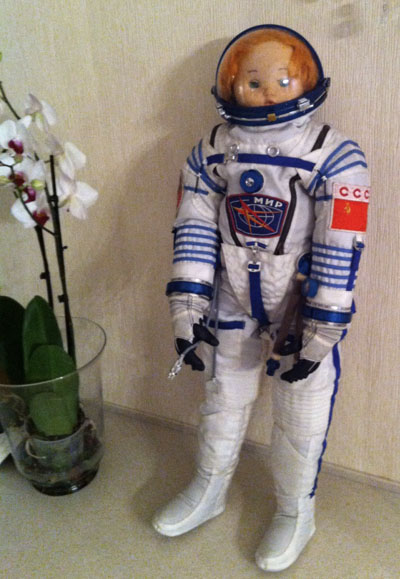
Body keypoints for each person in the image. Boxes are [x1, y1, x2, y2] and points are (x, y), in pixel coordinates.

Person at [153, 24, 370, 572]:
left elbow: (340, 244)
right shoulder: (211, 151)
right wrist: (187, 306)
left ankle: (295, 512)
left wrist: (322, 326)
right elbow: (194, 227)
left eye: (282, 79)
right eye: (253, 82)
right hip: (230, 299)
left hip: (299, 306)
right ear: (230, 87)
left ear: (307, 83)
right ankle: (209, 488)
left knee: (301, 417)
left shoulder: (334, 155)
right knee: (222, 400)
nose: (269, 91)